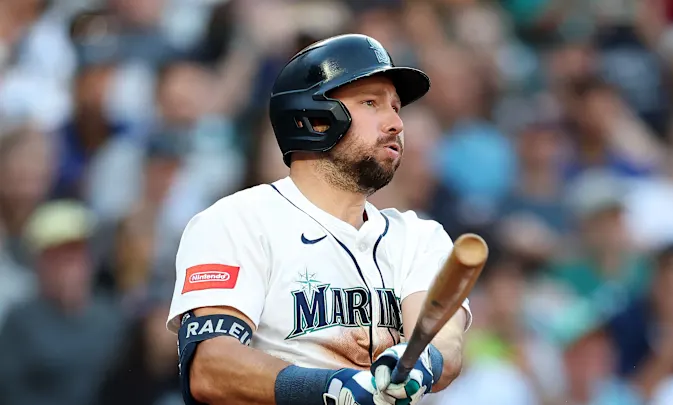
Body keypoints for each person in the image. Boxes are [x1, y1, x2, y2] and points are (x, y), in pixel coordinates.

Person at [165, 34, 473, 405]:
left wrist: (423, 361)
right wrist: (332, 387)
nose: (395, 123)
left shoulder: (418, 237)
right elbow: (210, 368)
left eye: (396, 108)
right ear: (314, 118)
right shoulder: (237, 221)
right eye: (371, 103)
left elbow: (446, 343)